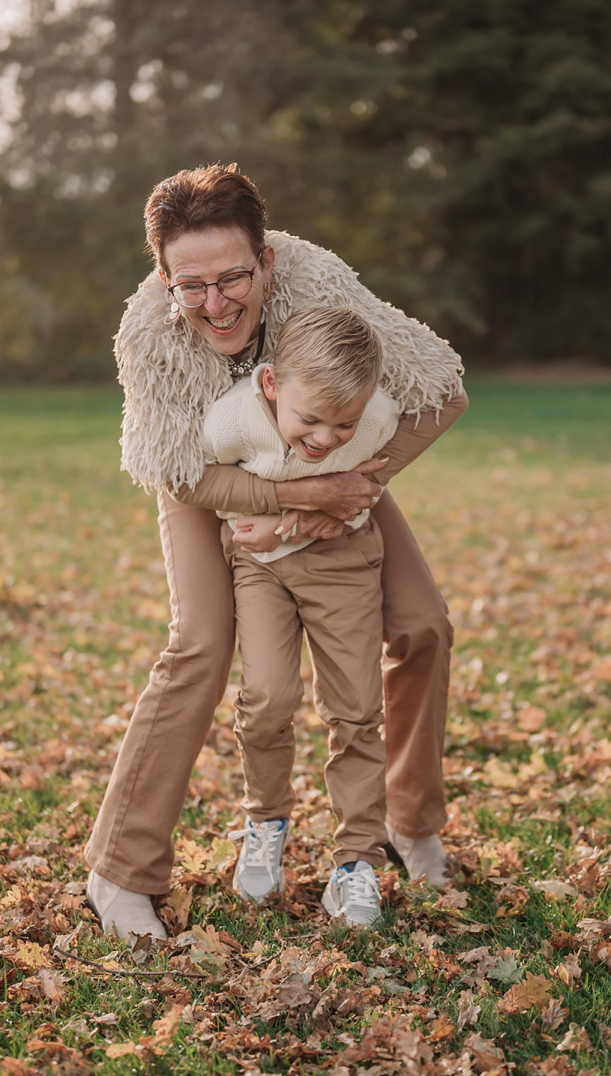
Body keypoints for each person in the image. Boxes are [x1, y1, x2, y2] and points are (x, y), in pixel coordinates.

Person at [84, 161, 467, 941]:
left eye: (232, 277)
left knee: (423, 622)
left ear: (265, 260)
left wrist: (344, 487)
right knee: (200, 644)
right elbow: (179, 472)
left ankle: (407, 823)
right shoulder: (148, 336)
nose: (215, 303)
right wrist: (296, 502)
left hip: (330, 463)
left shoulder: (320, 286)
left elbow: (442, 391)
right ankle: (118, 871)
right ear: (163, 278)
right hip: (207, 478)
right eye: (191, 285)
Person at [205, 306, 401, 927]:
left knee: (357, 707)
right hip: (261, 566)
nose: (324, 439)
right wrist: (278, 512)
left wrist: (305, 519)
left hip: (343, 561)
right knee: (267, 696)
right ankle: (265, 822)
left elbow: (381, 465)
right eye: (309, 419)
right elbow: (194, 480)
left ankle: (356, 861)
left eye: (344, 425)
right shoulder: (231, 421)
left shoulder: (379, 417)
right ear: (270, 384)